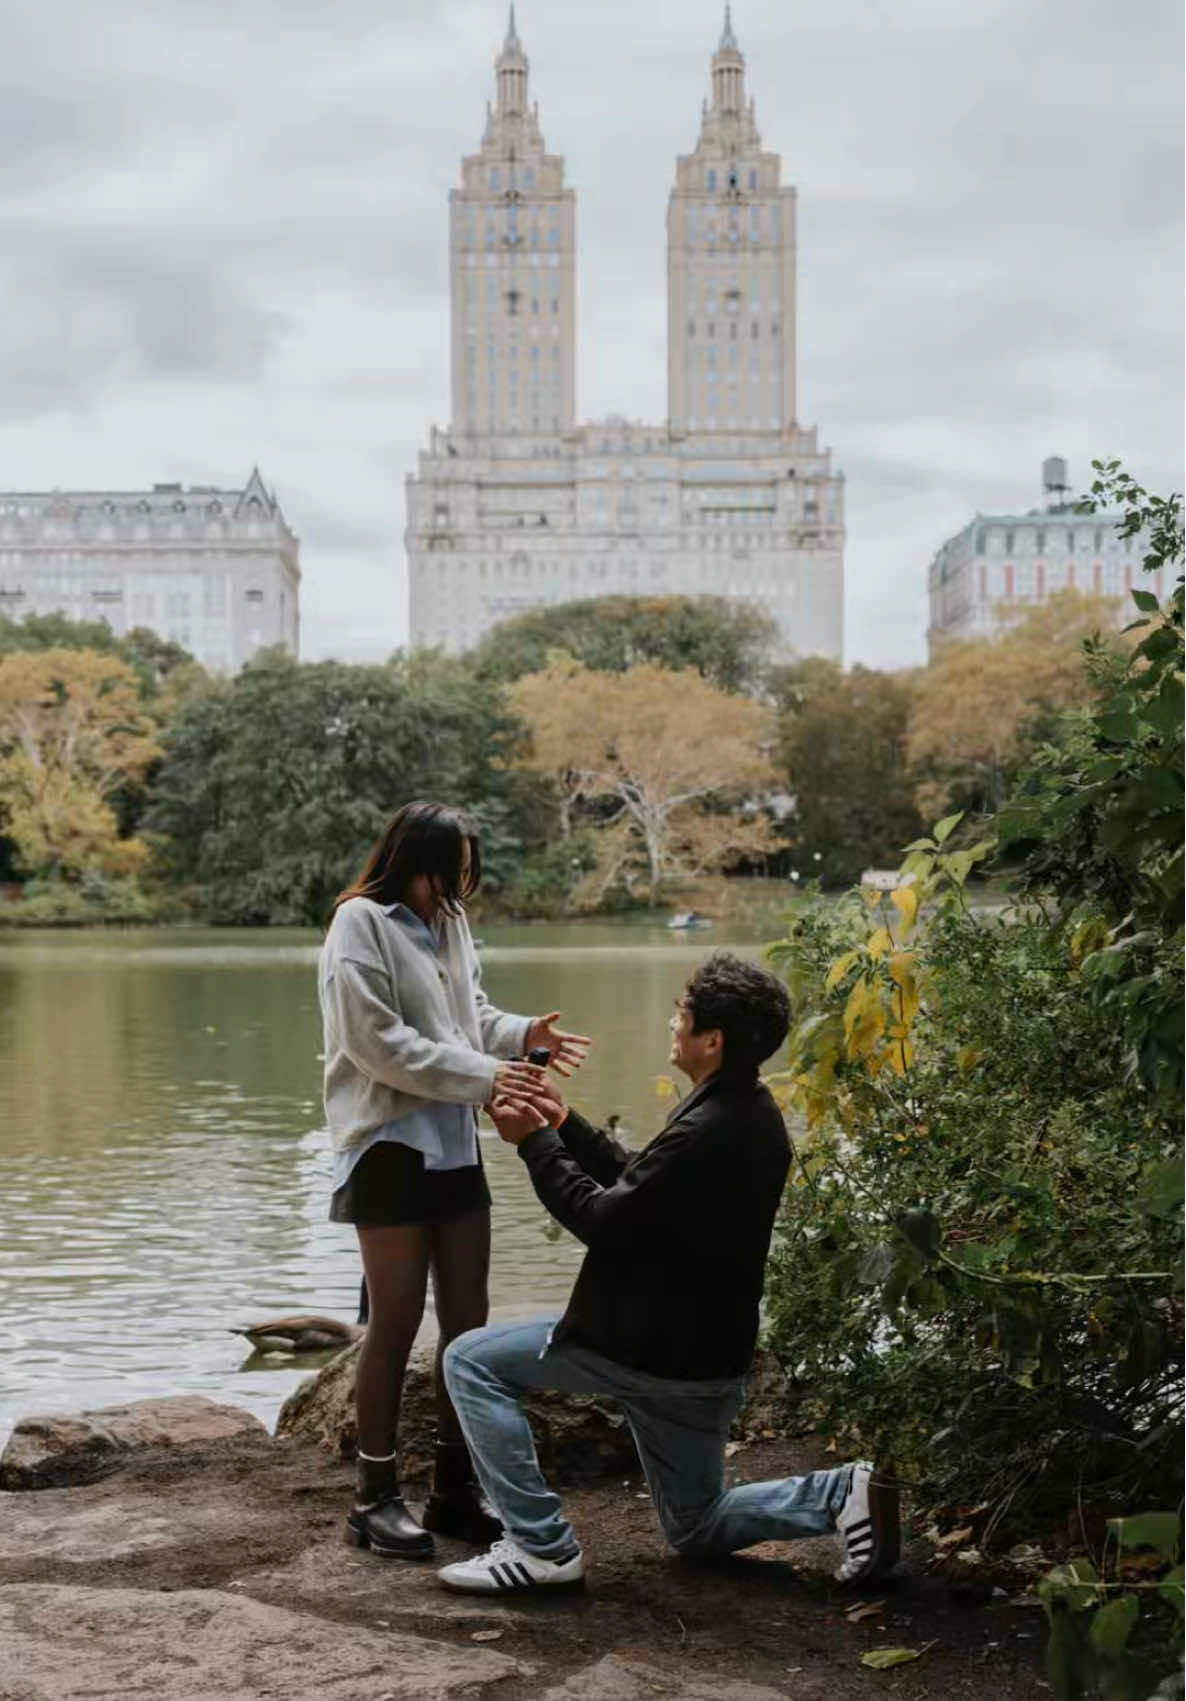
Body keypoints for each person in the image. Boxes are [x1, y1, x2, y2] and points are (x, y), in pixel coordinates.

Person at [434, 951, 899, 1594]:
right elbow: (638, 1183)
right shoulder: (743, 1109)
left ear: (713, 1039)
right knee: (696, 1526)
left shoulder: (711, 1127)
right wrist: (564, 1123)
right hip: (702, 1360)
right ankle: (839, 1493)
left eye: (681, 1015)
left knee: (469, 1361)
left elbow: (603, 1219)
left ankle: (540, 1547)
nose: (670, 1023)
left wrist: (532, 1142)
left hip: (646, 1351)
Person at [319, 800, 589, 1561]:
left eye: (466, 875)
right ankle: (374, 1497)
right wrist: (491, 1073)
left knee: (467, 1326)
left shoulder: (451, 921)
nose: (458, 890)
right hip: (389, 1146)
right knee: (396, 1321)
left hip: (455, 1145)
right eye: (450, 874)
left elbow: (467, 1017)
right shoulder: (358, 925)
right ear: (411, 861)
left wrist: (523, 1034)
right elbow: (381, 1046)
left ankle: (453, 1490)